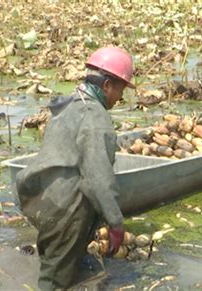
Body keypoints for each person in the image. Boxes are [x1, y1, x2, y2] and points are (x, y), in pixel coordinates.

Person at [15, 46, 135, 290]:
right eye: (120, 90)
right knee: (53, 281)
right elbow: (98, 180)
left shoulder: (70, 104)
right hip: (65, 210)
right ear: (107, 86)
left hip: (42, 199)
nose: (120, 98)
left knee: (59, 265)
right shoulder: (95, 119)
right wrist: (116, 223)